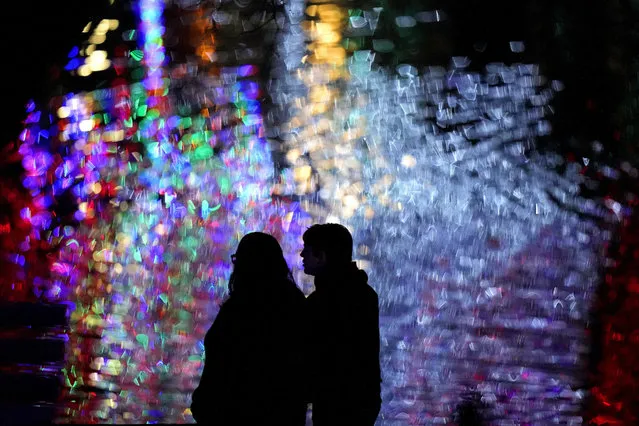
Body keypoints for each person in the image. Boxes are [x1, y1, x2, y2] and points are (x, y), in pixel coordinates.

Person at [191, 232, 307, 426]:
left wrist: (203, 405)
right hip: (285, 412)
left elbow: (221, 365)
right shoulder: (295, 302)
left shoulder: (240, 307)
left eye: (237, 259)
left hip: (236, 412)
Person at [301, 223, 382, 426]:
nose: (302, 254)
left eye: (308, 250)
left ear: (322, 256)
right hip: (362, 400)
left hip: (334, 403)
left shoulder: (320, 303)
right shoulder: (365, 295)